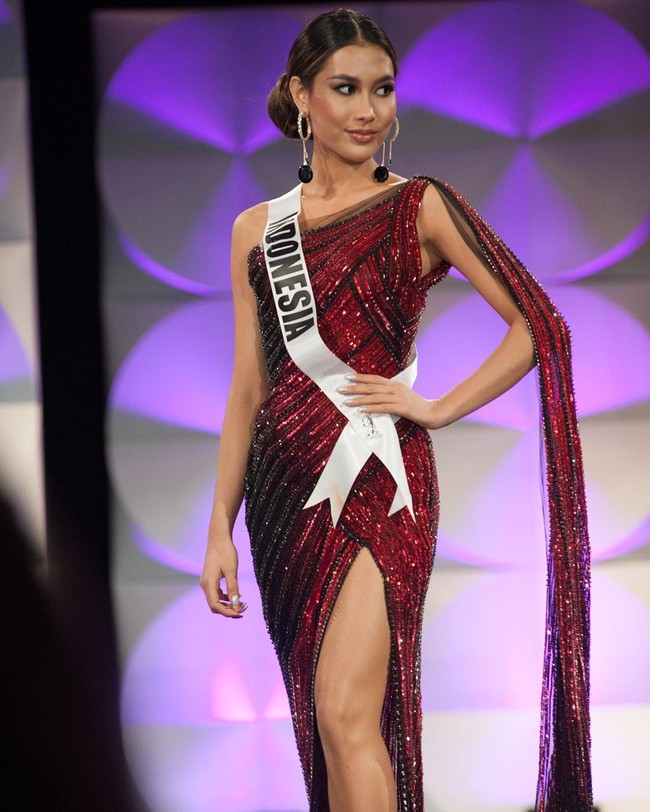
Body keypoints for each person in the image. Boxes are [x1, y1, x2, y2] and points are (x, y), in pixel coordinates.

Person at [200, 9, 592, 812]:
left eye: (381, 90)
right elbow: (249, 389)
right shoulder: (255, 231)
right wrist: (218, 528)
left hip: (382, 478)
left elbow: (539, 326)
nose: (367, 110)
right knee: (327, 722)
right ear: (300, 98)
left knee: (348, 712)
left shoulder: (420, 204)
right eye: (345, 89)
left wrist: (440, 407)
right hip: (282, 499)